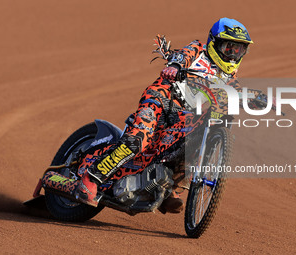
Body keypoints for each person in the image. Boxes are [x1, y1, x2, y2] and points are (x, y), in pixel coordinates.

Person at [75, 17, 260, 213]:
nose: (233, 54)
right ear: (214, 43)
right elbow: (182, 56)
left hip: (183, 117)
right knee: (138, 139)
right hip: (161, 99)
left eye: (239, 49)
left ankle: (168, 186)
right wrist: (175, 67)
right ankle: (92, 178)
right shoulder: (198, 50)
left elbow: (238, 93)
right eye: (228, 47)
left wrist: (261, 99)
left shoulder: (231, 78)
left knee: (194, 142)